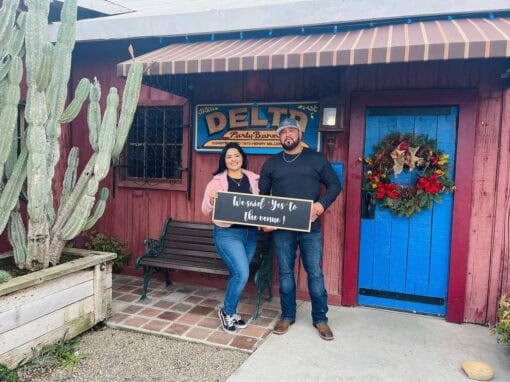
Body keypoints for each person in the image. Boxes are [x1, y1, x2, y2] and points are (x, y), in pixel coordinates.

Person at [259, 117, 341, 341]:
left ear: (300, 134)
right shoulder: (271, 164)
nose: (288, 135)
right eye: (283, 132)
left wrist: (321, 205)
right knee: (285, 272)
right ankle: (287, 315)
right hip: (282, 229)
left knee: (314, 273)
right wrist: (263, 220)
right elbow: (262, 198)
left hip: (310, 227)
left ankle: (320, 319)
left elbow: (335, 185)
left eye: (291, 131)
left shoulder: (316, 159)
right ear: (279, 137)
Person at [201, 142, 260, 333]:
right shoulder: (216, 182)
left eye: (236, 155)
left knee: (238, 275)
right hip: (227, 233)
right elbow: (204, 210)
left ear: (242, 157)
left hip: (250, 233)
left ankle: (231, 311)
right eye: (229, 156)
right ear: (223, 160)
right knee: (242, 273)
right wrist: (211, 201)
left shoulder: (253, 180)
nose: (233, 159)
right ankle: (227, 312)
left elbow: (262, 204)